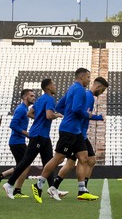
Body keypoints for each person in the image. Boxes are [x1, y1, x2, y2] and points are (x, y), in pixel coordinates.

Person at [40, 68, 103, 202]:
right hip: (75, 131)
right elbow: (78, 111)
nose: (88, 80)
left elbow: (62, 106)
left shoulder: (74, 89)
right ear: (82, 78)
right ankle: (41, 184)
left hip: (76, 131)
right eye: (87, 77)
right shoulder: (85, 93)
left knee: (79, 160)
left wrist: (69, 114)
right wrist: (95, 117)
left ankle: (76, 189)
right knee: (63, 159)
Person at [10, 78, 60, 202]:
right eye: (53, 85)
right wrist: (57, 115)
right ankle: (9, 184)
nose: (55, 87)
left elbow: (30, 113)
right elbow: (49, 115)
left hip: (42, 135)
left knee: (48, 162)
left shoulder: (40, 99)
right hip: (38, 134)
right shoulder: (49, 99)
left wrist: (39, 118)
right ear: (48, 87)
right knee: (26, 161)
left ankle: (53, 189)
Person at [60, 76, 108, 197]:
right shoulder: (88, 96)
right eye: (102, 90)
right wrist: (97, 117)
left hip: (79, 133)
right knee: (70, 160)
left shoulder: (87, 95)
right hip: (78, 134)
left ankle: (80, 189)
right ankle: (81, 190)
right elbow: (82, 114)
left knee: (83, 161)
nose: (101, 93)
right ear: (98, 86)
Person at [0, 87, 36, 196]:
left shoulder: (24, 109)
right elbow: (13, 124)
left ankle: (1, 176)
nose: (33, 98)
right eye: (31, 96)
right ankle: (14, 188)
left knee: (22, 165)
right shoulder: (21, 109)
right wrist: (25, 133)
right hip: (17, 142)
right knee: (25, 165)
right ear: (25, 97)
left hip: (18, 141)